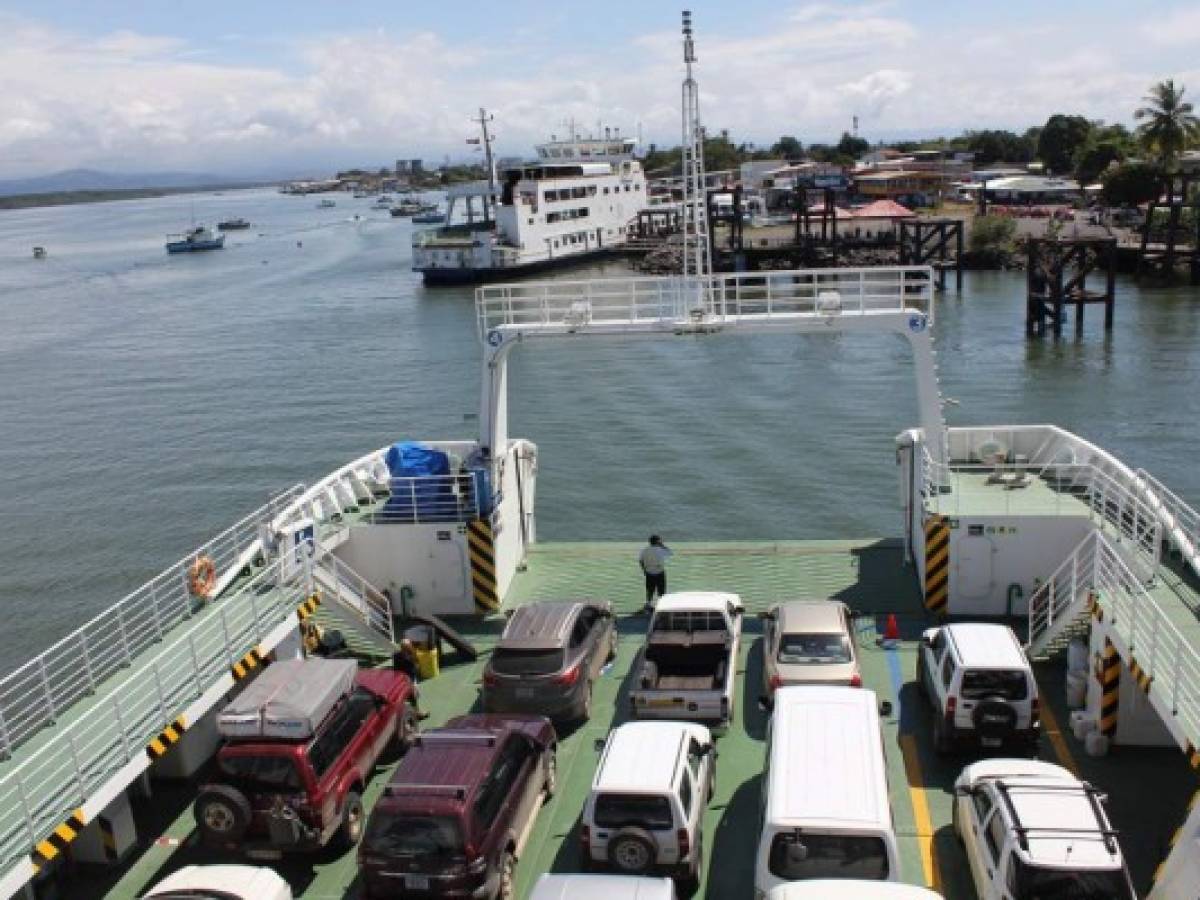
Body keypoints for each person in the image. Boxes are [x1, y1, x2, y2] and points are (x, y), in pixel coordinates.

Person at [639, 535, 673, 613]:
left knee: (650, 590)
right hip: (659, 572)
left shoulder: (645, 550)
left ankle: (648, 605)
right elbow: (670, 553)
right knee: (661, 590)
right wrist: (662, 545)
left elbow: (641, 561)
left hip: (649, 573)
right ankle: (662, 606)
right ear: (658, 541)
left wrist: (644, 570)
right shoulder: (661, 550)